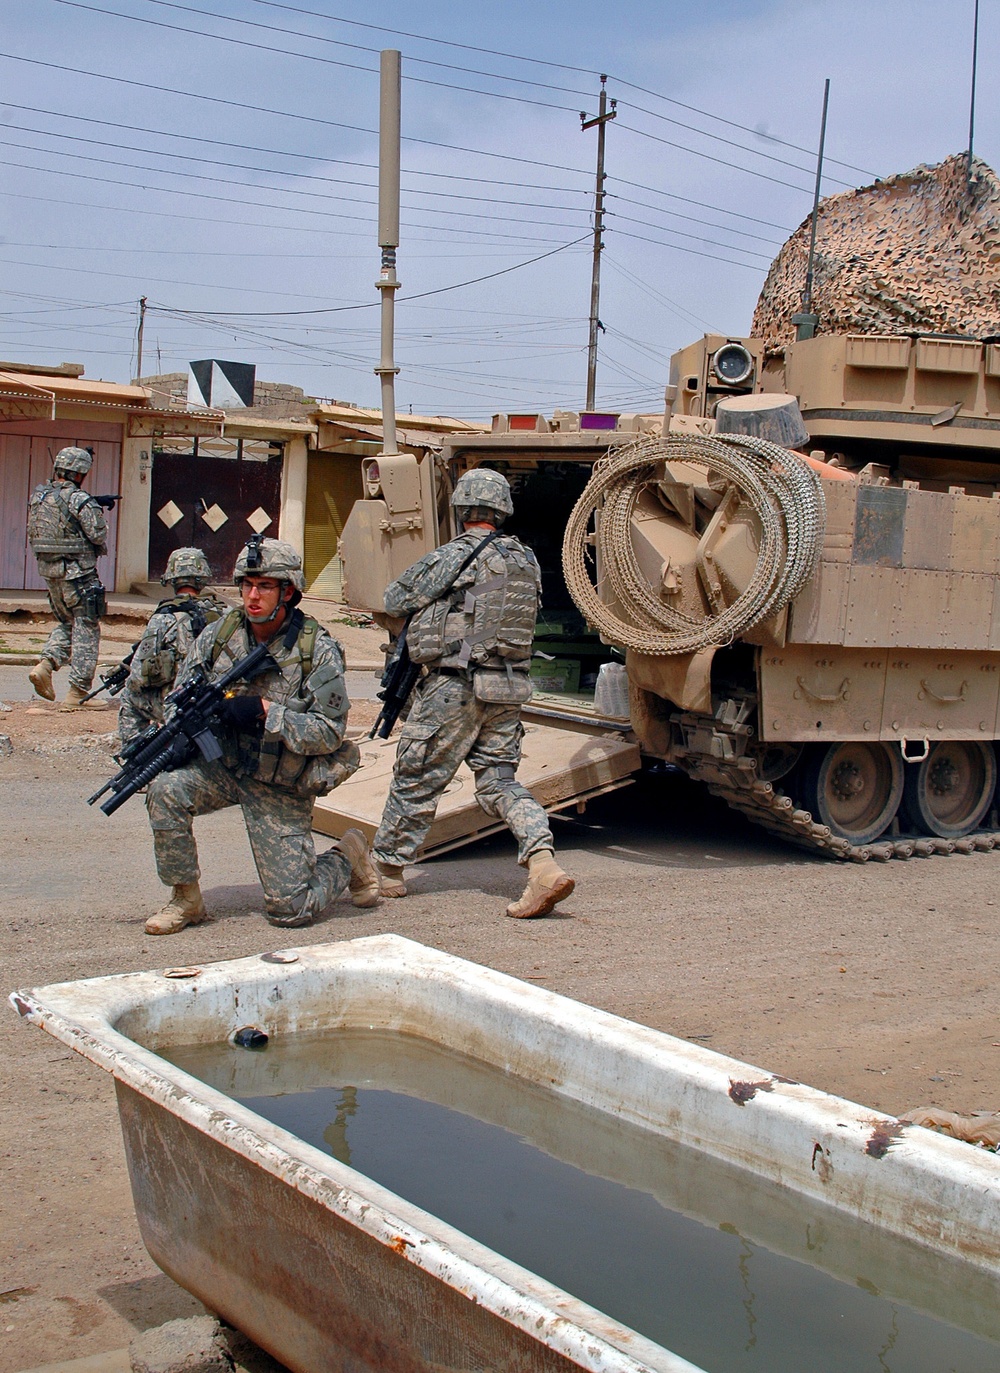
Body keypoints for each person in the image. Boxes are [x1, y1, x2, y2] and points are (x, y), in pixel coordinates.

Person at [143, 537, 380, 935]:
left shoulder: (316, 650)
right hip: (224, 764)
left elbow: (329, 732)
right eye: (247, 585)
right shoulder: (219, 636)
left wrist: (268, 713)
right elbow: (178, 699)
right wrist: (194, 725)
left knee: (291, 910)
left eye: (265, 586)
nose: (253, 595)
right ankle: (185, 899)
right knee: (165, 789)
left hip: (278, 780)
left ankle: (350, 852)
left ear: (288, 592)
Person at [371, 467, 575, 919]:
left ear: (462, 508)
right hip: (506, 684)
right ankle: (542, 862)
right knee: (498, 782)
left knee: (417, 774)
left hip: (455, 685)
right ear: (502, 509)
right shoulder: (525, 560)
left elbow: (394, 599)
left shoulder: (456, 554)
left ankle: (385, 870)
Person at [118, 547, 227, 746]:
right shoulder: (224, 617)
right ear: (202, 577)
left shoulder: (163, 618)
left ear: (172, 579)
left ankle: (137, 754)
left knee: (129, 695)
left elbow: (137, 677)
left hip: (177, 704)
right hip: (217, 702)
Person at [26, 445, 108, 708]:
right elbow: (97, 534)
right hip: (79, 575)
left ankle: (45, 665)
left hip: (51, 573)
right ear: (80, 473)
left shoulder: (38, 497)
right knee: (86, 626)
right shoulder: (80, 499)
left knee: (66, 624)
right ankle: (77, 692)